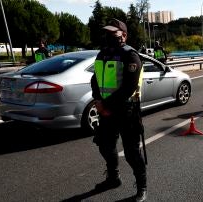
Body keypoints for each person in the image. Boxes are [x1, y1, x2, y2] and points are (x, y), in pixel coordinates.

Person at [90, 18, 147, 202]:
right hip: (106, 111)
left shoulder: (131, 56)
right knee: (105, 146)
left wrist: (106, 106)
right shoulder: (102, 54)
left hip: (126, 111)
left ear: (124, 35)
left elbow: (128, 88)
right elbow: (95, 79)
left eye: (113, 33)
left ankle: (141, 186)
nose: (109, 36)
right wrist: (98, 101)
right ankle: (113, 178)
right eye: (107, 33)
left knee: (131, 153)